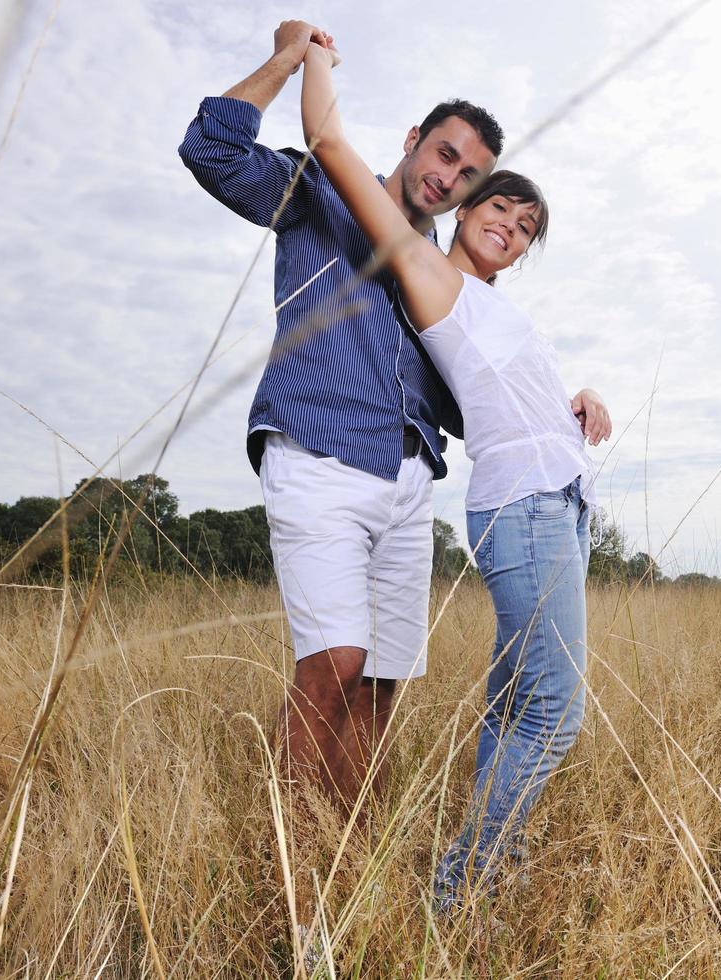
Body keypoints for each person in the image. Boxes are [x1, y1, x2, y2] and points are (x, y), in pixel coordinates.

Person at [177, 20, 605, 808]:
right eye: (445, 154)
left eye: (470, 174)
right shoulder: (325, 193)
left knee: (380, 686)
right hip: (319, 450)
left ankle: (348, 855)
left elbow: (474, 401)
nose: (450, 178)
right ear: (414, 140)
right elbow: (211, 151)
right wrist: (287, 60)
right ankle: (294, 869)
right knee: (333, 665)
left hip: (410, 482)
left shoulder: (442, 277)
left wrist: (563, 402)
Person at [298, 36, 612, 912]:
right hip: (525, 513)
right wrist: (310, 51)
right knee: (556, 711)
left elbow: (502, 398)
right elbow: (327, 140)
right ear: (466, 202)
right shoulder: (426, 269)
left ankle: (483, 874)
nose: (509, 229)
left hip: (558, 504)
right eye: (500, 209)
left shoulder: (488, 306)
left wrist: (577, 399)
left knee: (515, 710)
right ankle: (459, 886)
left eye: (525, 230)